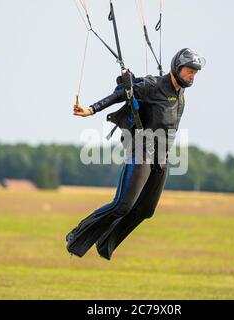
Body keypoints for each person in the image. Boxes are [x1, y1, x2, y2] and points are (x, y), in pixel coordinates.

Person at [67, 48, 206, 260]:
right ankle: (77, 236)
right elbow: (122, 93)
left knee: (146, 210)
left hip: (162, 156)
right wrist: (91, 109)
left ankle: (105, 243)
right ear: (177, 68)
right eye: (189, 70)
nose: (192, 75)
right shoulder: (154, 86)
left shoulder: (181, 93)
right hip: (141, 151)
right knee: (122, 205)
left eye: (195, 72)